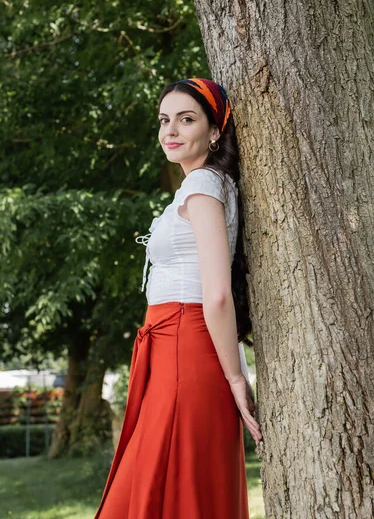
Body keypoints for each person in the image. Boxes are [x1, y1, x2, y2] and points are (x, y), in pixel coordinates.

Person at [94, 77, 263, 519]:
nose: (170, 130)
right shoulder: (203, 185)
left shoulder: (204, 186)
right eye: (164, 120)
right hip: (172, 347)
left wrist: (236, 379)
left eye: (186, 119)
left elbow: (218, 293)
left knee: (162, 489)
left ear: (213, 131)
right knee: (159, 488)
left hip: (186, 349)